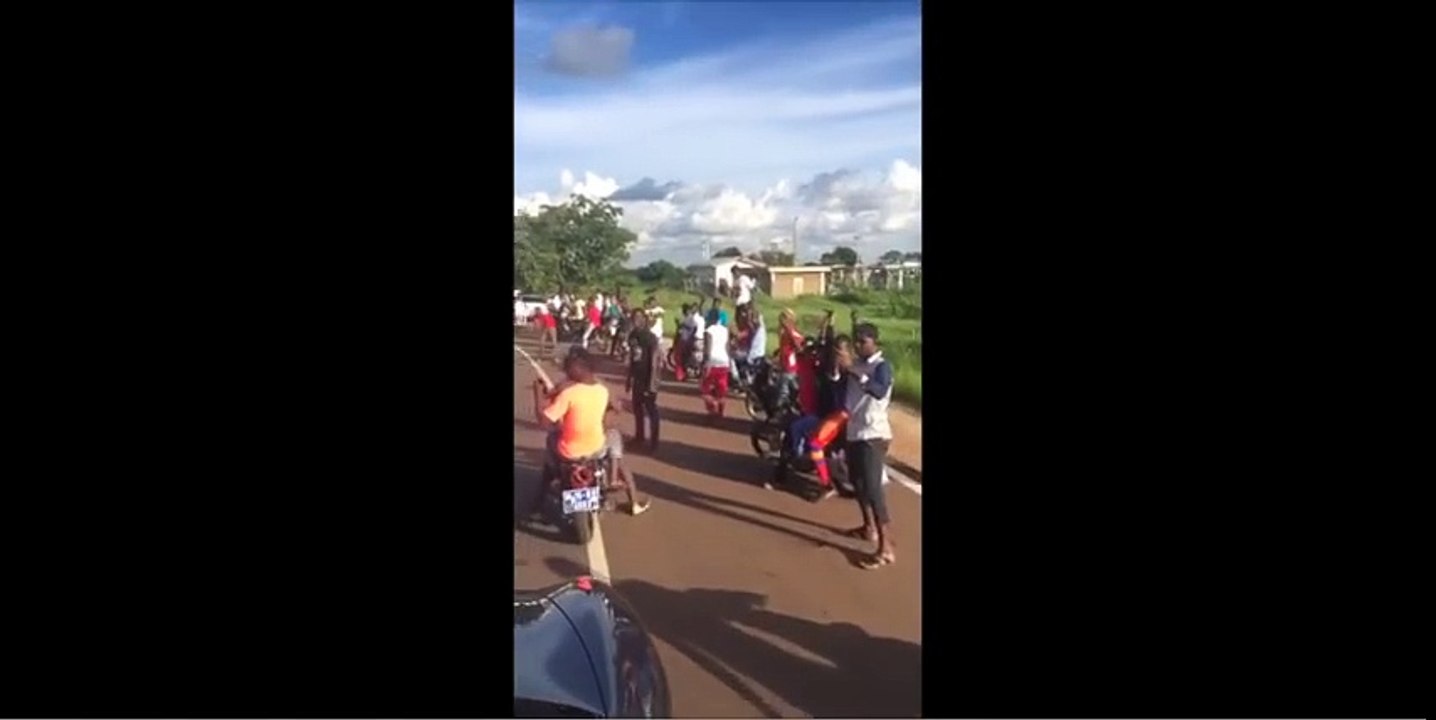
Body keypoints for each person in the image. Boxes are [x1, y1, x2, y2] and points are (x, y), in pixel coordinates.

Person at [533, 349, 649, 516]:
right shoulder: (601, 390)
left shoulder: (568, 392)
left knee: (551, 444)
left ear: (574, 370)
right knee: (615, 441)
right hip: (596, 449)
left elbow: (544, 422)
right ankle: (631, 496)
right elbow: (616, 408)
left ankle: (539, 500)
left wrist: (537, 395)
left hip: (569, 453)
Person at [837, 323, 895, 568]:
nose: (859, 345)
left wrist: (854, 370)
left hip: (873, 434)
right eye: (856, 342)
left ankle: (886, 548)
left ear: (875, 342)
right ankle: (868, 527)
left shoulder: (882, 366)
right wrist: (840, 364)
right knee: (859, 485)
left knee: (873, 490)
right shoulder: (855, 365)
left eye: (863, 341)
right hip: (854, 432)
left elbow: (879, 391)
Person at [624, 310, 664, 452]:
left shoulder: (650, 337)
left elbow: (655, 362)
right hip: (638, 377)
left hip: (649, 377)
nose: (636, 320)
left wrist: (652, 384)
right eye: (634, 317)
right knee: (637, 407)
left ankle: (654, 442)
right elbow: (632, 359)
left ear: (645, 320)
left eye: (640, 318)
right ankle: (639, 436)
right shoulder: (633, 336)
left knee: (651, 409)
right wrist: (629, 379)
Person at [699, 310, 732, 418]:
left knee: (705, 388)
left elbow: (707, 349)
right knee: (721, 387)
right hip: (724, 361)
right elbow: (727, 347)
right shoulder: (725, 330)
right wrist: (729, 362)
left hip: (712, 361)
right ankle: (721, 410)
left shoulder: (709, 331)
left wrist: (705, 363)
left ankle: (712, 406)